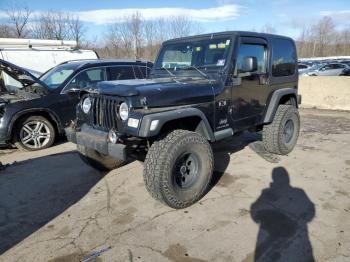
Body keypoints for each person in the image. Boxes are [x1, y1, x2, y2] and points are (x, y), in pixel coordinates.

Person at [250, 167, 315, 261]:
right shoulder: (298, 192)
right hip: (292, 238)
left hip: (279, 238)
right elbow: (310, 212)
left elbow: (254, 211)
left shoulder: (267, 193)